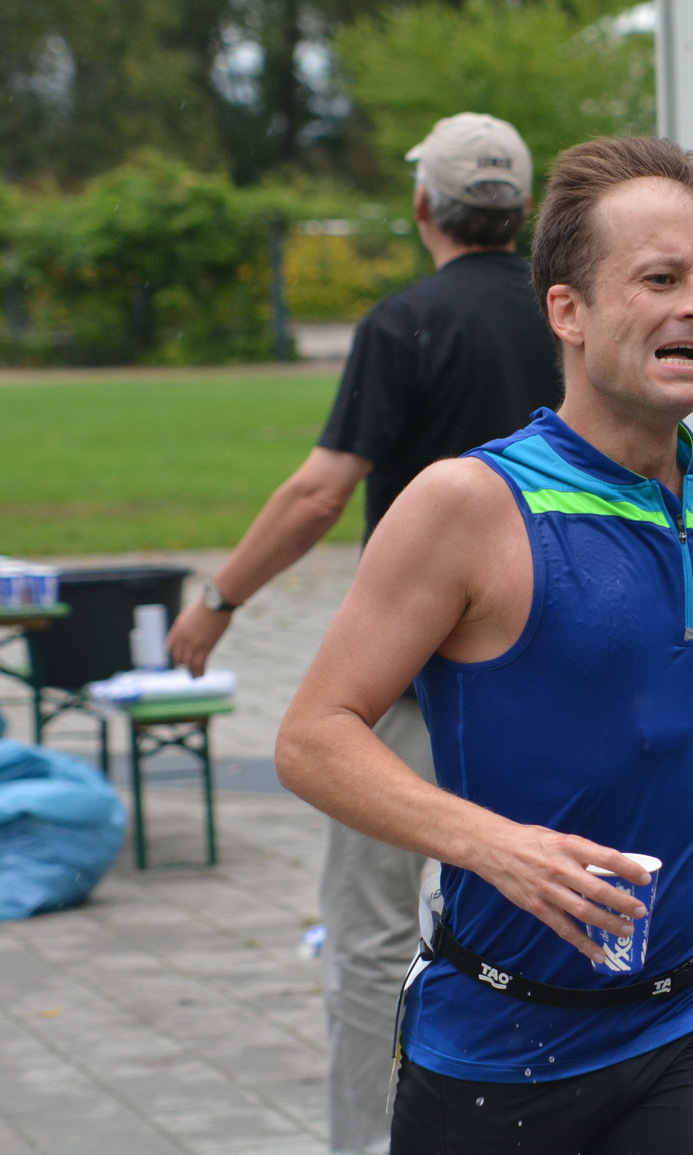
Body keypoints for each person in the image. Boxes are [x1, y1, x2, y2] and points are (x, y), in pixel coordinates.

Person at [276, 135, 693, 1155]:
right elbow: (313, 737)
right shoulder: (471, 504)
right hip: (502, 1046)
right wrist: (489, 845)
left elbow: (681, 693)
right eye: (661, 278)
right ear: (568, 312)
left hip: (690, 1012)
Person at [164, 112, 563, 1155]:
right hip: (548, 674)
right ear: (522, 212)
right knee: (544, 919)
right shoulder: (567, 318)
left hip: (416, 673)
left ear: (423, 205)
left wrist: (220, 599)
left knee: (373, 935)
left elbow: (317, 496)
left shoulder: (406, 322)